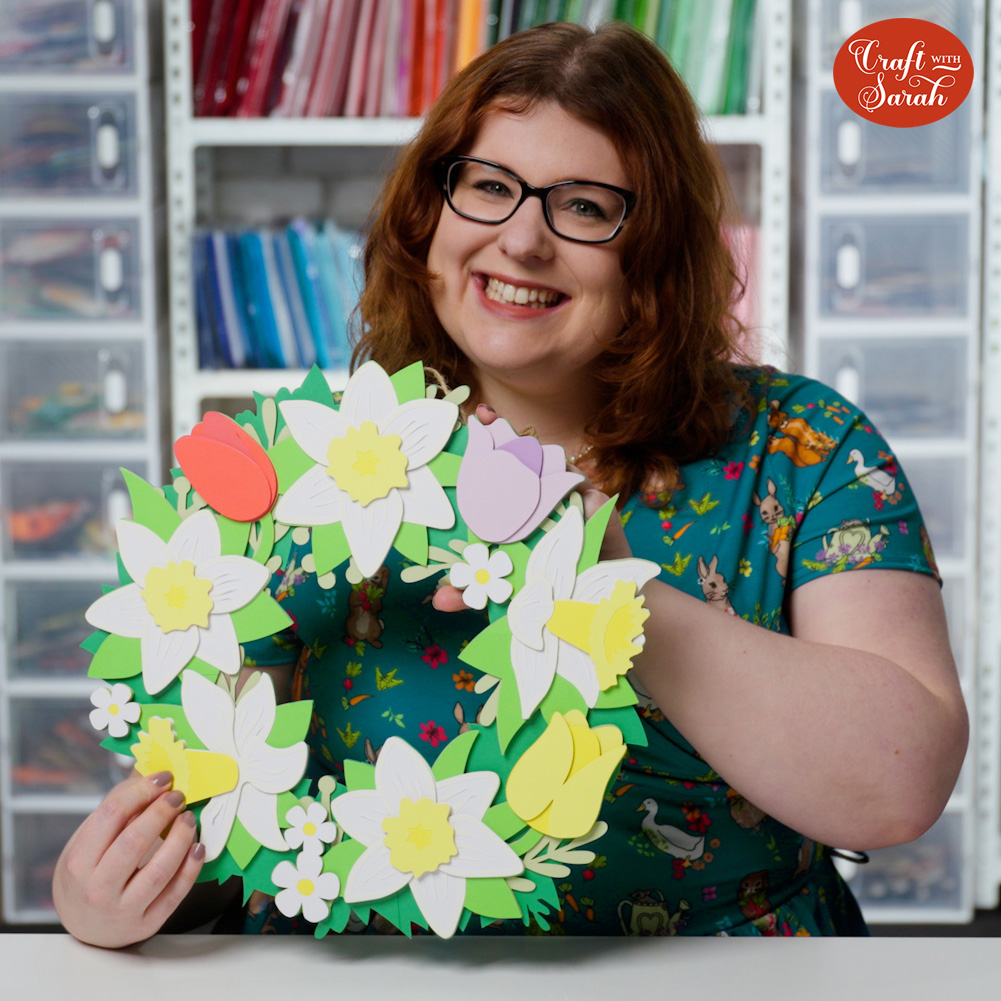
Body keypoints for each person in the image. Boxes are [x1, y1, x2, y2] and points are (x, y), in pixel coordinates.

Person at [53, 20, 967, 942]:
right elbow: (244, 843)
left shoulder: (803, 448)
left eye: (583, 206)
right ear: (430, 214)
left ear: (655, 252)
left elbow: (894, 790)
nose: (521, 239)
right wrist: (122, 893)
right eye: (488, 187)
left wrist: (603, 590)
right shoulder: (312, 471)